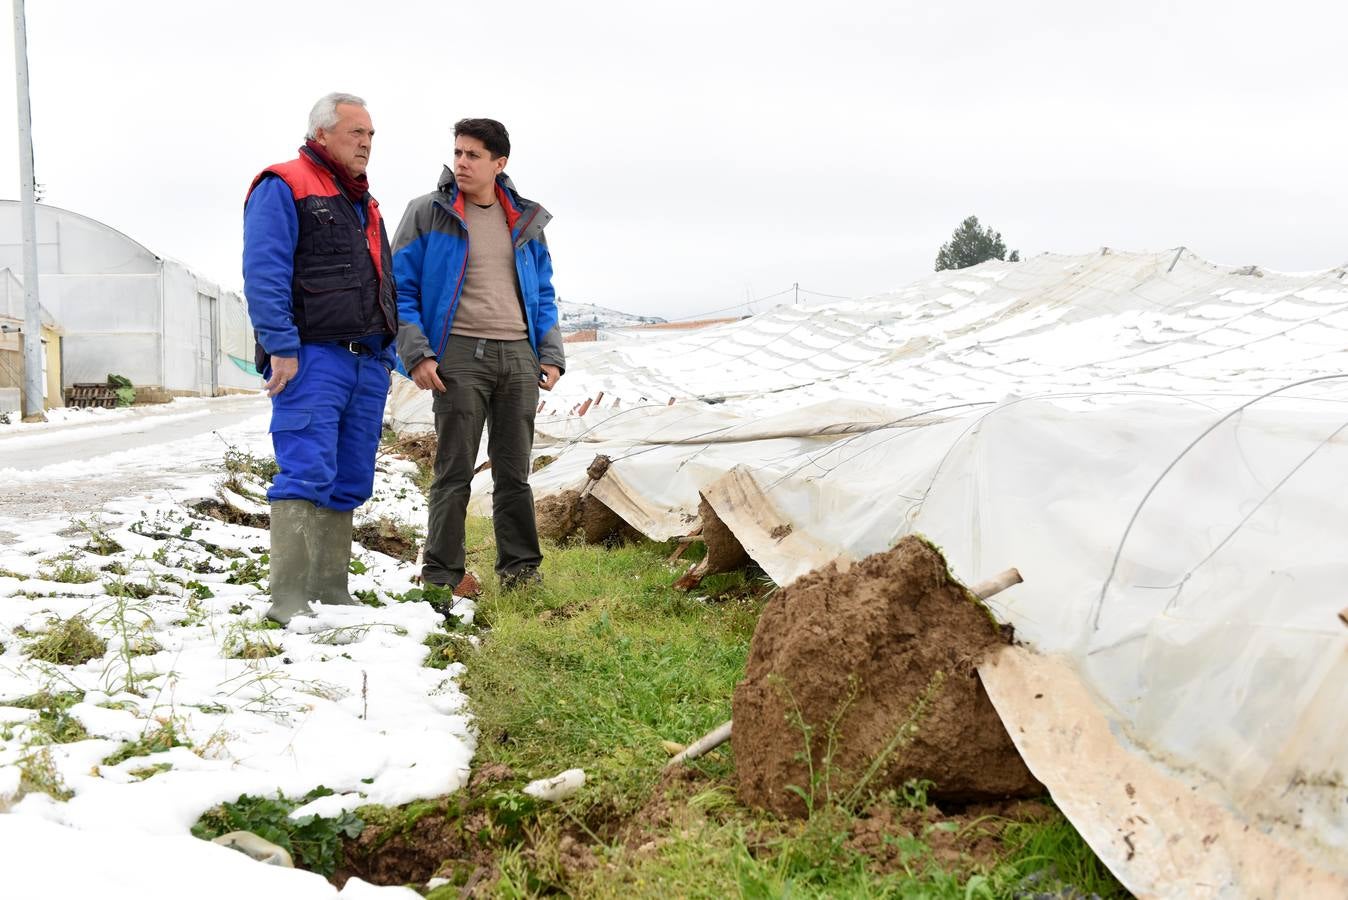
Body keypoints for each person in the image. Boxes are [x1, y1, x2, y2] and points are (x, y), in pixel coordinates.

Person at [242, 92, 398, 624]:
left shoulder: (364, 203)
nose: (367, 143)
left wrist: (388, 351)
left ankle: (331, 589)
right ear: (323, 133)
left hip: (365, 361)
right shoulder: (284, 184)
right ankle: (287, 597)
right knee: (305, 469)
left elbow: (383, 281)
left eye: (372, 135)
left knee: (351, 475)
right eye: (357, 132)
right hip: (312, 357)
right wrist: (281, 346)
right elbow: (264, 272)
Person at [392, 117, 564, 594]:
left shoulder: (527, 219)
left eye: (473, 155)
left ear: (499, 163)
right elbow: (398, 289)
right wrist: (418, 353)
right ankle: (442, 576)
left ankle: (522, 574)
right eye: (458, 152)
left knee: (515, 472)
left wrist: (549, 354)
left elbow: (544, 292)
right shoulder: (428, 212)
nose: (461, 162)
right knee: (453, 471)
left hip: (519, 358)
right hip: (459, 354)